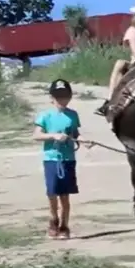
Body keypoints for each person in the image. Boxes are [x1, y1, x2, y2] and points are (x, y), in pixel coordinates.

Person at [34, 79, 81, 239]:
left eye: (65, 96)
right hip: (52, 159)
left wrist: (81, 140)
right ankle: (53, 219)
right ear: (51, 98)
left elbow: (75, 134)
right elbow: (36, 135)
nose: (62, 100)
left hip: (68, 159)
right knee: (52, 193)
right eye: (58, 96)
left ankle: (64, 226)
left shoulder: (73, 115)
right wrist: (53, 135)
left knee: (65, 195)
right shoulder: (45, 116)